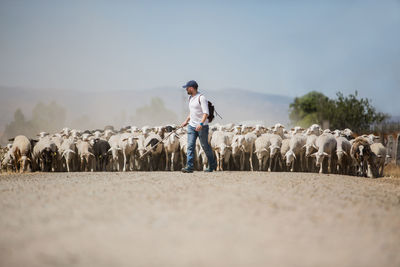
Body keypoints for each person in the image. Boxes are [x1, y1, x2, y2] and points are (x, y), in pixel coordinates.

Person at [180, 80, 217, 173]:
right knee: (190, 146)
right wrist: (186, 121)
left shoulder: (201, 98)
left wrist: (201, 124)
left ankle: (212, 164)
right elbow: (192, 112)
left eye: (187, 88)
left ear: (191, 88)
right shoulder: (190, 98)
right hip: (191, 126)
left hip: (202, 127)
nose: (186, 90)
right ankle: (189, 166)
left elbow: (206, 113)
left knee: (204, 146)